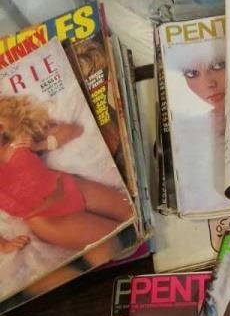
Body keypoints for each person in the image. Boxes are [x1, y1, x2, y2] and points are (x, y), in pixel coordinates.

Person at [0, 94, 133, 252]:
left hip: (71, 186)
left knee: (134, 214)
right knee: (124, 242)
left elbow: (74, 130)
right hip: (49, 220)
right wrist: (3, 245)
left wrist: (39, 145)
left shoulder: (19, 139)